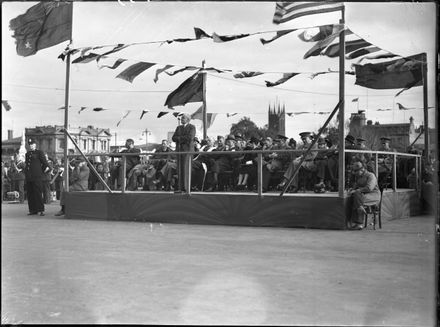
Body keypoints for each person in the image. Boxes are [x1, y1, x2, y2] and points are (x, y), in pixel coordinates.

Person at [346, 161, 381, 230]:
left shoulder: (371, 175)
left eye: (356, 171)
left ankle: (358, 223)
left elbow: (369, 188)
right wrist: (351, 189)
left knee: (357, 196)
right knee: (355, 197)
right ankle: (360, 208)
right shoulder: (358, 177)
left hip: (373, 195)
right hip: (361, 196)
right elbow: (356, 187)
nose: (355, 173)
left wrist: (357, 190)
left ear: (362, 169)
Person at [24, 138, 49, 216]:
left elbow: (45, 164)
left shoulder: (39, 153)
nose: (31, 146)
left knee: (38, 193)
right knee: (30, 194)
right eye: (30, 145)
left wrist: (40, 172)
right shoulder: (27, 154)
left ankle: (41, 209)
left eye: (32, 144)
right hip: (29, 176)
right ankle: (33, 210)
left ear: (35, 145)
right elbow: (27, 165)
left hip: (37, 176)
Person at [172, 114, 196, 192]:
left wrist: (179, 138)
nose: (181, 119)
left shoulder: (192, 127)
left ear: (188, 119)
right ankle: (180, 187)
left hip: (187, 150)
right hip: (179, 150)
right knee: (180, 169)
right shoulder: (178, 128)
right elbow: (173, 138)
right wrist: (181, 138)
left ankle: (186, 187)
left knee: (186, 168)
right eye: (181, 118)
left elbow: (190, 137)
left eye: (183, 118)